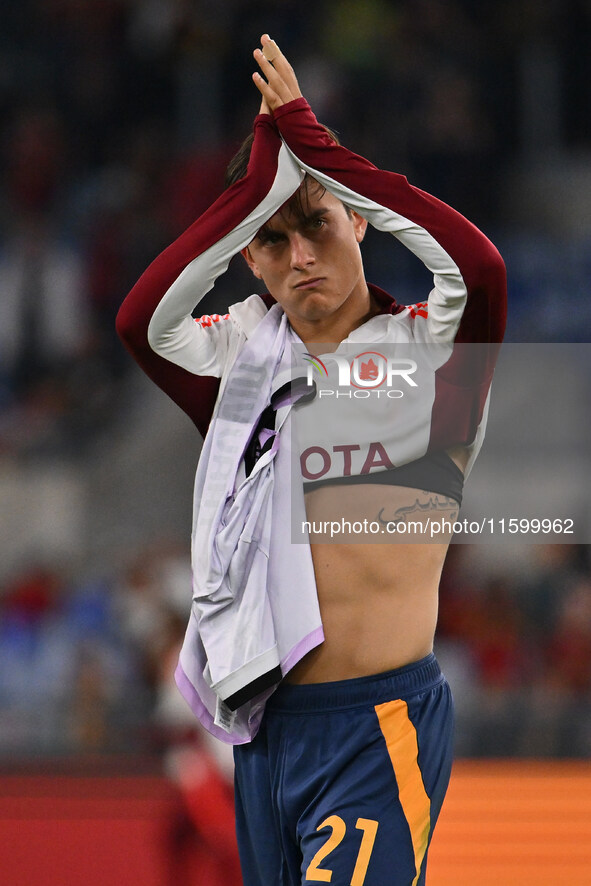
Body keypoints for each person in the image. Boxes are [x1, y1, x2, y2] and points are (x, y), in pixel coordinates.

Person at [117, 34, 506, 886]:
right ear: (248, 260)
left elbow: (475, 266)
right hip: (264, 733)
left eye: (317, 224)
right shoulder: (240, 365)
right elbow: (143, 321)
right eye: (273, 239)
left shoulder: (429, 355)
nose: (300, 257)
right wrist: (263, 184)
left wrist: (312, 148)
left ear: (357, 219)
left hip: (377, 723)